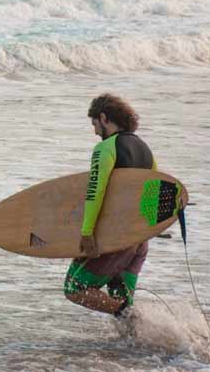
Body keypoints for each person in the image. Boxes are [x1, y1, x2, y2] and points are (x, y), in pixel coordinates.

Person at [63, 94, 157, 316]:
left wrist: (87, 233)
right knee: (119, 297)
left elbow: (95, 192)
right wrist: (146, 232)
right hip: (138, 241)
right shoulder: (145, 149)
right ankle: (138, 344)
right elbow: (153, 194)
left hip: (115, 239)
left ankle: (131, 316)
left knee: (74, 288)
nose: (95, 131)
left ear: (104, 118)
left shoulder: (106, 148)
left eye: (94, 124)